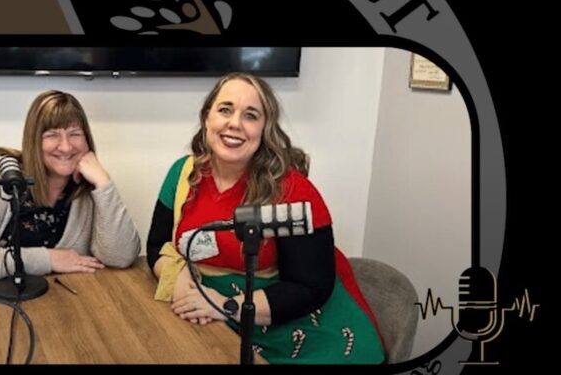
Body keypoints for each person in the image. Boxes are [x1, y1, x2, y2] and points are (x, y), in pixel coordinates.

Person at [146, 74, 385, 364]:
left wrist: (225, 306)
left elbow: (310, 287)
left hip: (290, 322)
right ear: (206, 118)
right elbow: (157, 244)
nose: (235, 123)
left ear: (265, 128)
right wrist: (180, 281)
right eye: (225, 109)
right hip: (205, 311)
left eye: (251, 115)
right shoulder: (182, 173)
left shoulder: (295, 190)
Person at [0, 90, 141, 285]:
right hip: (2, 302)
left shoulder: (89, 185)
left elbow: (121, 257)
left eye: (75, 134)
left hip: (65, 303)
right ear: (33, 140)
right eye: (52, 134)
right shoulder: (0, 175)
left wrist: (104, 184)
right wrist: (48, 259)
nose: (66, 146)